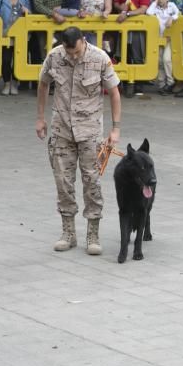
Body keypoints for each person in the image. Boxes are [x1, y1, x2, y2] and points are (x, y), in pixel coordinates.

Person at [36, 26, 121, 255]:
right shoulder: (54, 57)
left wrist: (115, 129)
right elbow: (43, 84)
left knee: (91, 182)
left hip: (90, 131)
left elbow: (114, 92)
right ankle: (68, 232)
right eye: (68, 51)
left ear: (83, 41)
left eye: (75, 51)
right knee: (63, 182)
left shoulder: (99, 58)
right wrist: (40, 118)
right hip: (62, 129)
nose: (72, 56)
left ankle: (93, 233)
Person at [146, 0, 179, 95]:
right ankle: (161, 84)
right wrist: (154, 2)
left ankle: (170, 82)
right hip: (158, 38)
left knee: (167, 59)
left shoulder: (172, 5)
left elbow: (178, 13)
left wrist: (171, 18)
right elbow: (148, 12)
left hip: (169, 38)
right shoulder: (155, 7)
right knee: (159, 61)